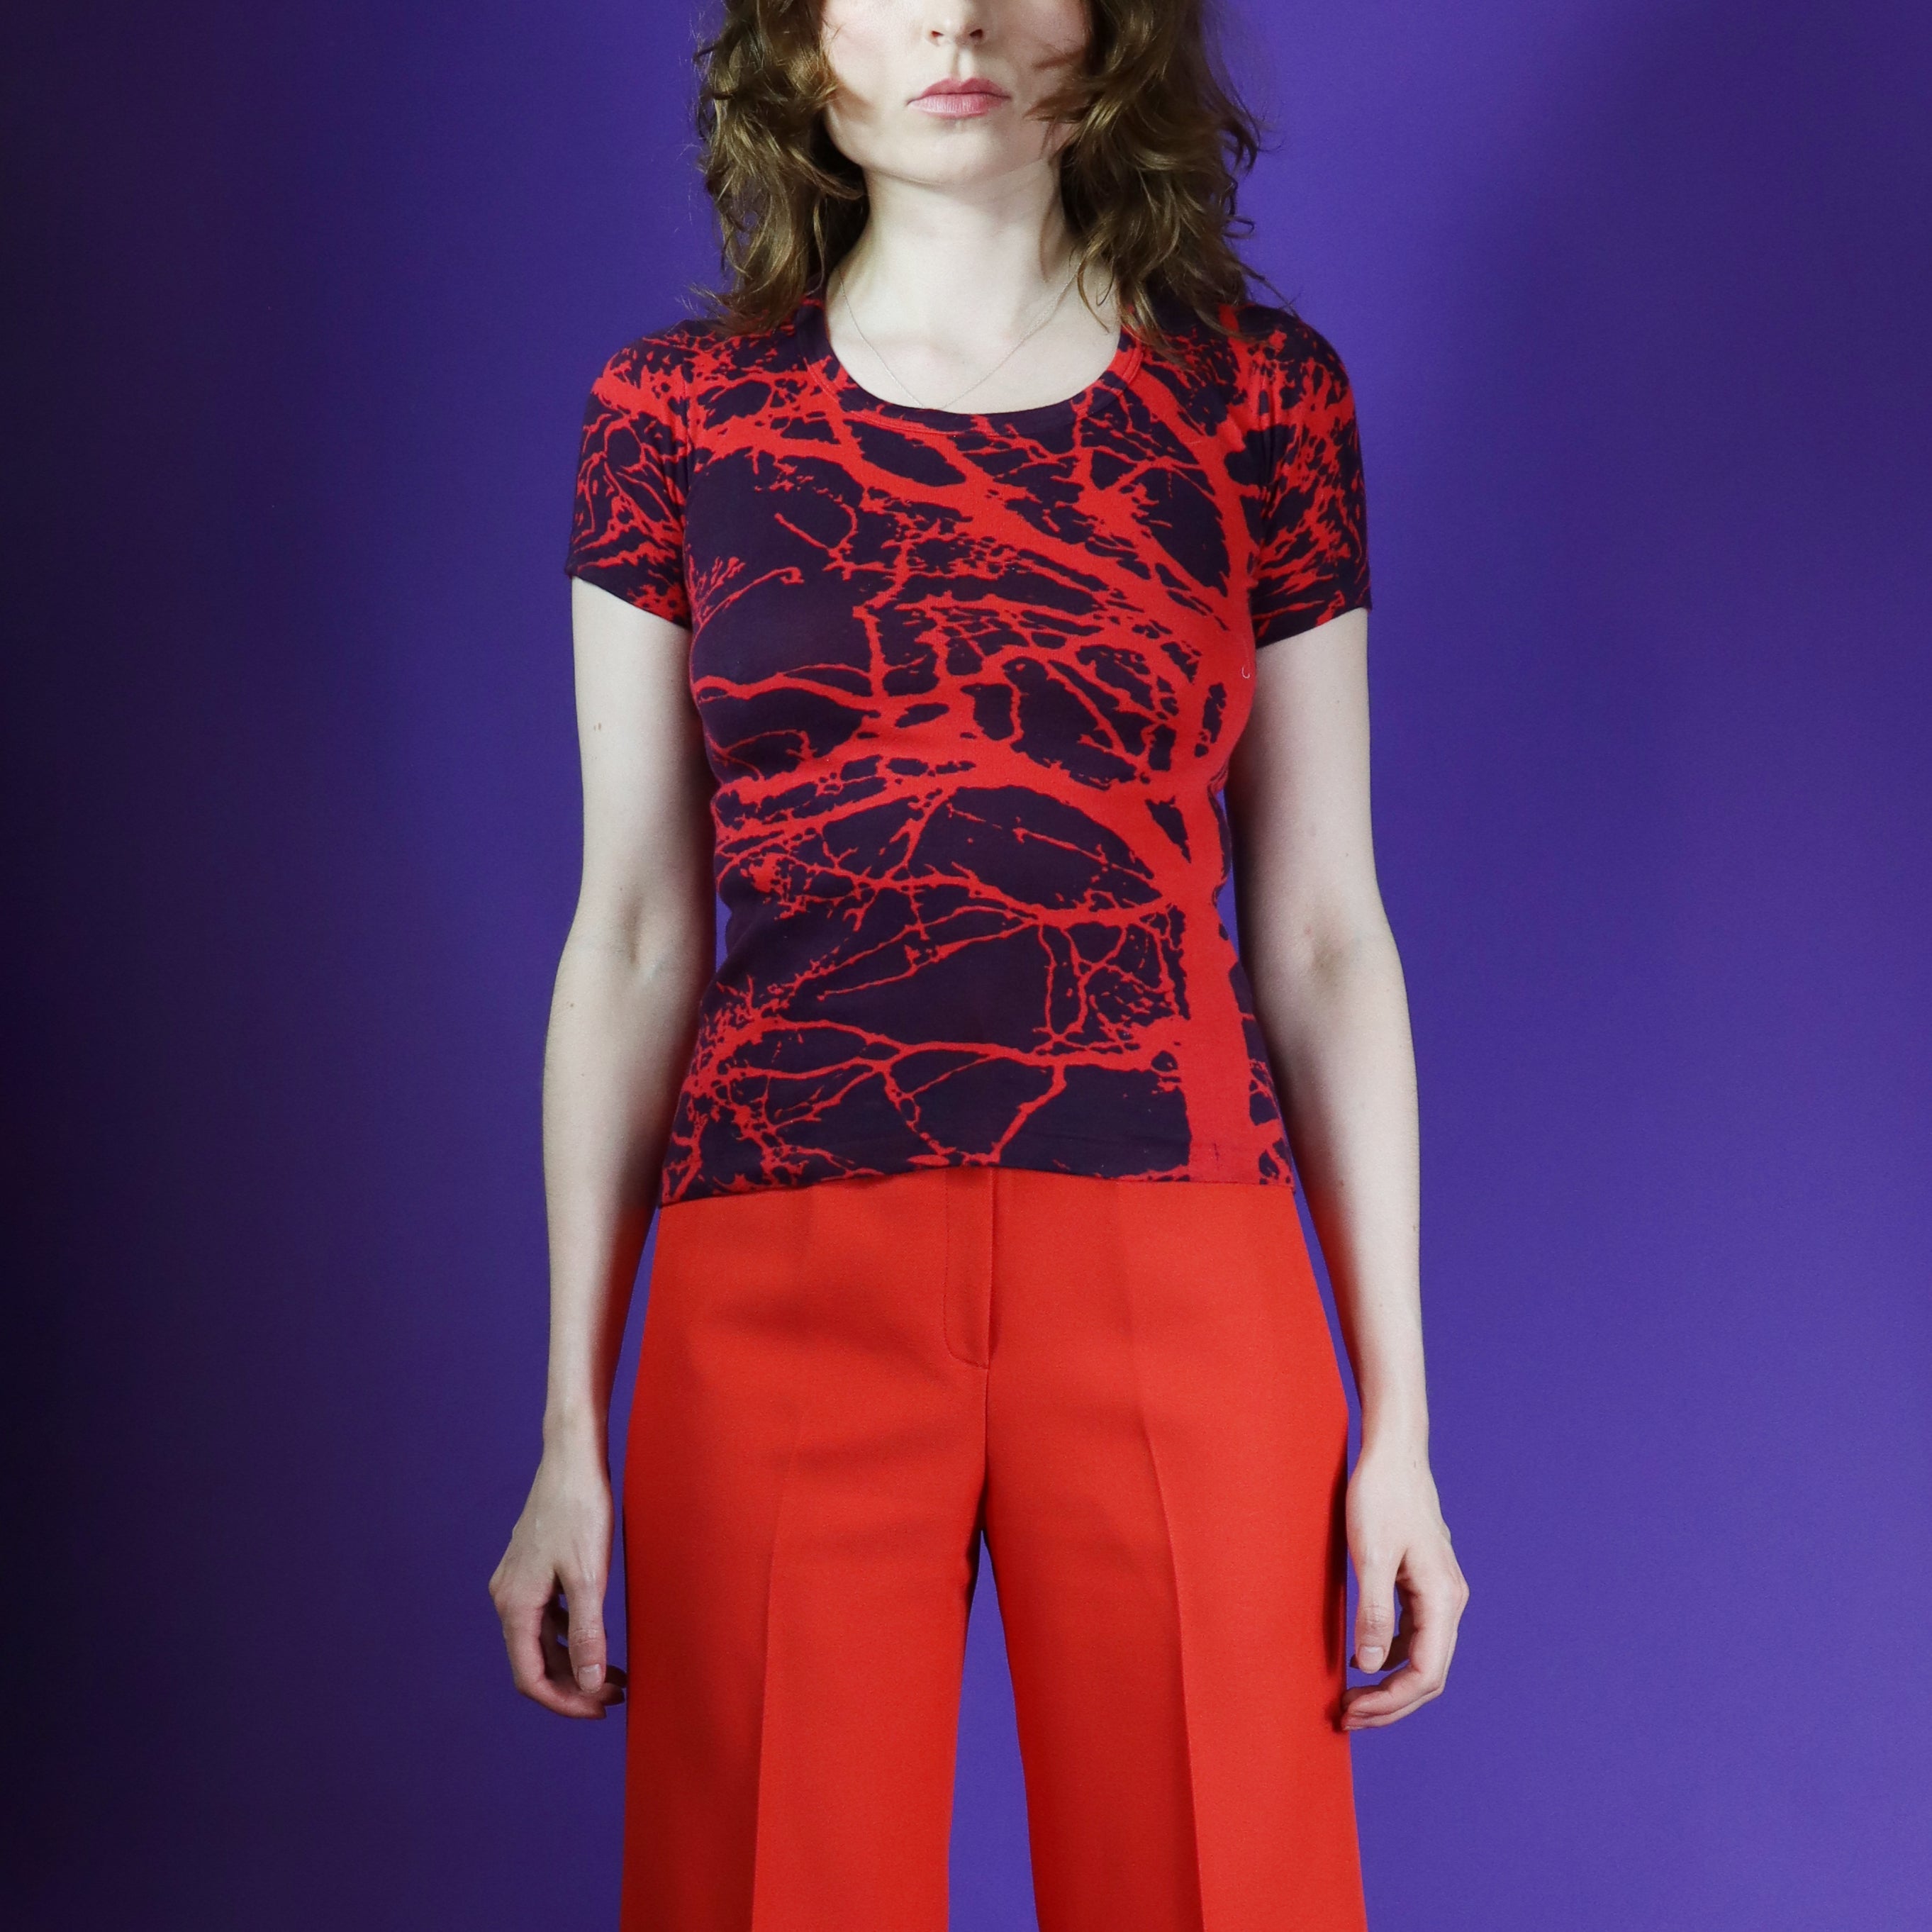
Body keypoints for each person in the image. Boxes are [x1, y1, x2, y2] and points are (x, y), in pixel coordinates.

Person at [490, 1, 1469, 1925]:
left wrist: (1404, 1431)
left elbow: (1324, 930)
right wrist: (567, 1432)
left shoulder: (1260, 405)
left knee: (1225, 1884)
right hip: (779, 1273)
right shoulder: (677, 419)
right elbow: (635, 931)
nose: (954, 19)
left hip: (1178, 1263)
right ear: (797, 45)